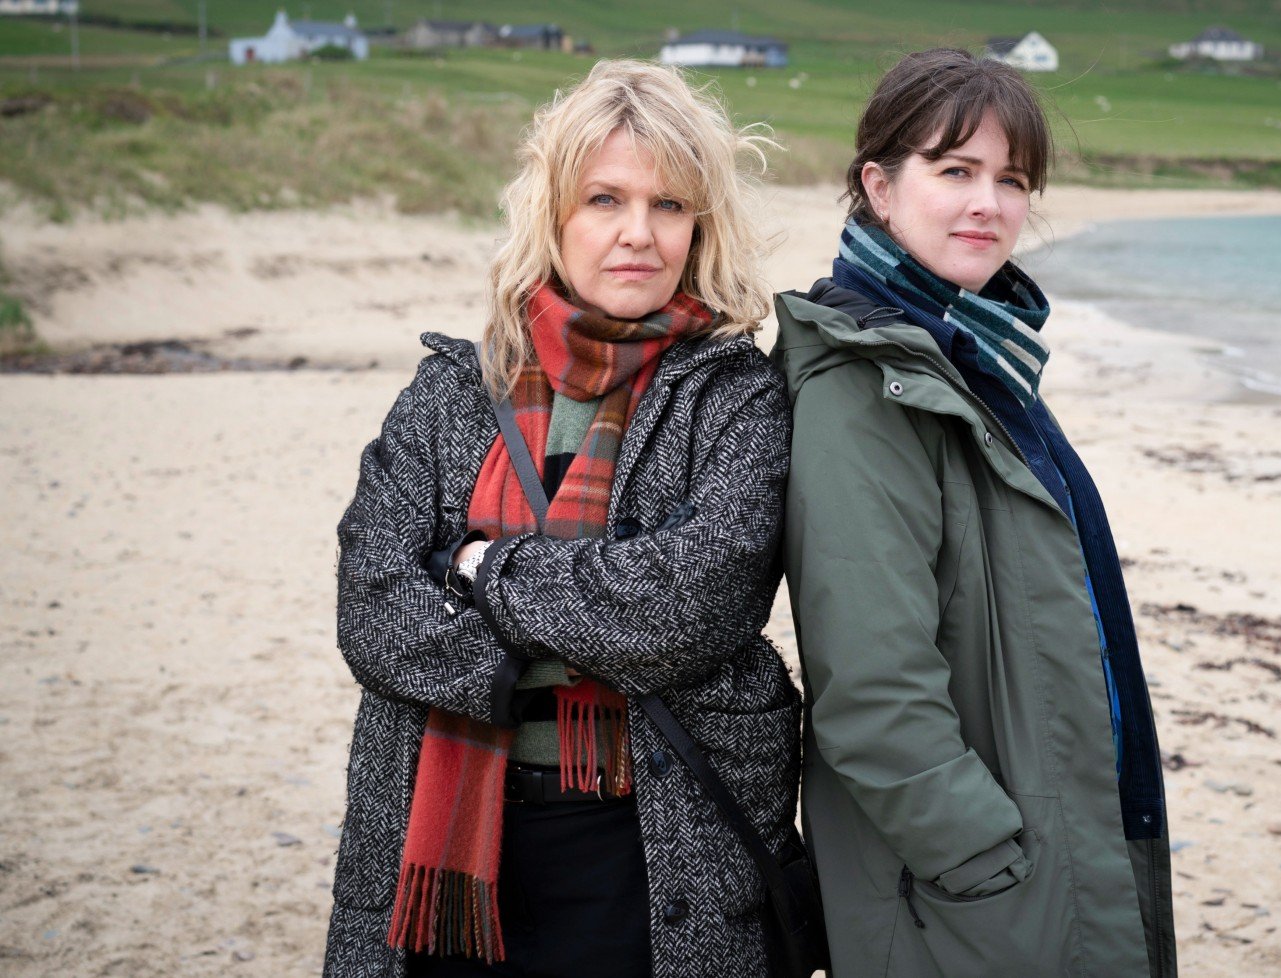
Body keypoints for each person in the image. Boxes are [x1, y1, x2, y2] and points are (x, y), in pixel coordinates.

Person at [323, 59, 799, 978]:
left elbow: (691, 605)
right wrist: (520, 663)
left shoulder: (735, 398)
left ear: (700, 224)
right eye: (604, 200)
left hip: (650, 847)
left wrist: (480, 571)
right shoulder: (452, 393)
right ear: (554, 214)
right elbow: (372, 607)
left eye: (668, 205)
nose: (637, 234)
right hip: (450, 845)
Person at [772, 48, 1178, 977]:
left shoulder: (977, 360)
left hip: (1048, 845)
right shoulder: (864, 387)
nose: (987, 204)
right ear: (879, 185)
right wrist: (988, 860)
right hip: (972, 897)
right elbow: (874, 693)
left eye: (1011, 179)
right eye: (954, 171)